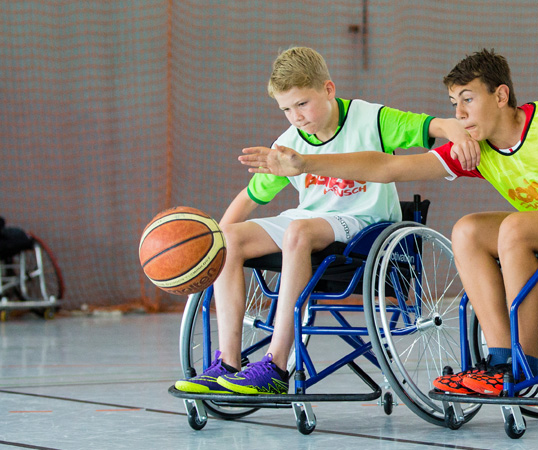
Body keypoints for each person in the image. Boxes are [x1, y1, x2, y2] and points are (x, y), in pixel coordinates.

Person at [239, 49, 538, 396]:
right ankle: (499, 360)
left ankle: (524, 370)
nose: (459, 113)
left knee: (513, 229)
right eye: (453, 103)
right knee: (467, 229)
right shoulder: (477, 149)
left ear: (500, 95)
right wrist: (305, 162)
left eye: (468, 100)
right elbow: (386, 168)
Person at [174, 46, 476, 395]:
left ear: (328, 89)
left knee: (299, 231)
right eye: (286, 109)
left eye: (303, 104)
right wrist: (212, 251)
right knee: (228, 236)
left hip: (367, 225)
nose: (296, 117)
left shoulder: (371, 119)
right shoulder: (287, 145)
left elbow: (433, 125)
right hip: (313, 222)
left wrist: (456, 131)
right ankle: (227, 364)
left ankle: (274, 366)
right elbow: (249, 197)